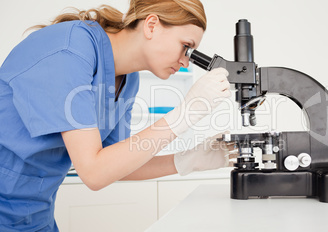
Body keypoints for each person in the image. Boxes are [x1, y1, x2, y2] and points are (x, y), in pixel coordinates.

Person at [0, 0, 235, 231]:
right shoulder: (71, 50)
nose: (185, 62)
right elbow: (94, 172)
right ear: (151, 25)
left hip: (34, 216)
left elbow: (117, 164)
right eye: (186, 47)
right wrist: (183, 115)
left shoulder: (128, 80)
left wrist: (188, 160)